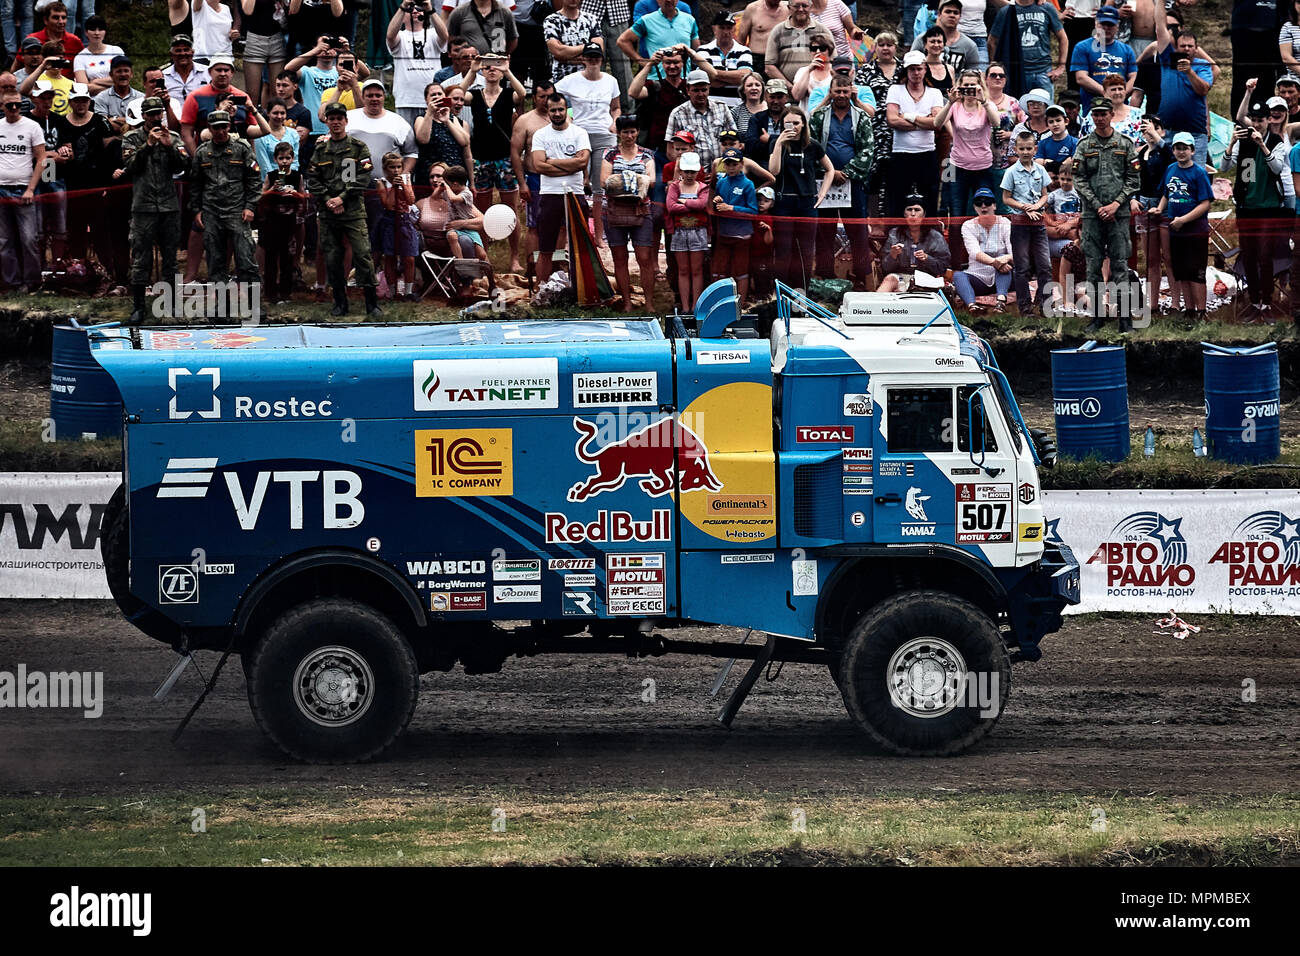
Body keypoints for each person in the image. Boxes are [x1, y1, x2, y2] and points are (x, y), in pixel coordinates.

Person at [307, 101, 383, 316]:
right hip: (329, 212)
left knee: (362, 254)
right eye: (332, 119)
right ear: (327, 122)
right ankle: (339, 301)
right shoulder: (321, 150)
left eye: (340, 118)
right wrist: (329, 200)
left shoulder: (359, 148)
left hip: (353, 211)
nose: (336, 122)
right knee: (332, 256)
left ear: (346, 121)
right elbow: (313, 179)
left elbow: (364, 176)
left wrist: (341, 198)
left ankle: (371, 302)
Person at [120, 97, 188, 322]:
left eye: (159, 113)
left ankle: (172, 304)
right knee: (141, 257)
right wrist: (147, 146)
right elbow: (130, 168)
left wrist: (170, 149)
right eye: (151, 114)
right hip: (143, 206)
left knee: (171, 258)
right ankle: (138, 306)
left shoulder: (173, 136)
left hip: (168, 205)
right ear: (144, 116)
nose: (156, 118)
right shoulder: (131, 138)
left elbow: (183, 167)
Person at [1223, 102, 1289, 319]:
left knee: (1265, 255)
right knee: (1249, 256)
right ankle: (1253, 301)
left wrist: (1263, 146)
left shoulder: (1277, 141)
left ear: (1268, 120)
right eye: (1255, 120)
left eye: (1261, 120)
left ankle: (1267, 302)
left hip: (1268, 208)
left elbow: (1278, 168)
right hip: (1246, 208)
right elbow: (1224, 167)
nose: (1258, 124)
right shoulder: (1243, 142)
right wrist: (1231, 144)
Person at [809, 72, 872, 285]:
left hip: (852, 182)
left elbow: (867, 150)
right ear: (831, 92)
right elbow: (812, 147)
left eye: (846, 91)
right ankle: (825, 275)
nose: (842, 95)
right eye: (838, 91)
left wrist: (847, 173)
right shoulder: (819, 117)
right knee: (824, 230)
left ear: (851, 91)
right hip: (825, 181)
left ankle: (861, 276)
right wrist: (830, 172)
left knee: (858, 230)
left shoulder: (861, 117)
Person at [464, 52, 525, 268]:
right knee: (482, 209)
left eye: (495, 65)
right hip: (481, 158)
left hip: (504, 158)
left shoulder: (508, 94)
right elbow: (457, 96)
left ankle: (515, 257)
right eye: (487, 65)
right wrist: (472, 70)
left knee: (511, 208)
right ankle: (485, 256)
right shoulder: (475, 95)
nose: (491, 69)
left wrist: (507, 69)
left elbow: (523, 94)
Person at [191, 108, 260, 295]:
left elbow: (254, 179)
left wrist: (250, 206)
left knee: (245, 260)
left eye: (223, 127)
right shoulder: (202, 153)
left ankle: (254, 308)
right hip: (211, 212)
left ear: (229, 126)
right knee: (215, 262)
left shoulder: (242, 148)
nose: (220, 131)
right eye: (216, 128)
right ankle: (222, 309)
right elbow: (196, 184)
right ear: (209, 128)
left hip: (237, 211)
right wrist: (197, 210)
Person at [558, 44, 620, 247]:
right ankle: (575, 233)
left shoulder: (610, 81)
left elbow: (616, 107)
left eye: (597, 57)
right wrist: (567, 120)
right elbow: (553, 97)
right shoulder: (571, 80)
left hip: (604, 134)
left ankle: (600, 236)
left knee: (601, 186)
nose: (593, 60)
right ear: (583, 59)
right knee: (577, 182)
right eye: (590, 57)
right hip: (580, 133)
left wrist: (614, 123)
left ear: (602, 60)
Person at [767, 105, 834, 287]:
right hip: (784, 202)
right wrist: (780, 143)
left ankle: (802, 294)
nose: (793, 127)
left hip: (806, 203)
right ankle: (780, 294)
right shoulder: (776, 142)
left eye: (796, 123)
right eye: (788, 124)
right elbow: (774, 171)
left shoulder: (812, 144)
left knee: (805, 252)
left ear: (803, 124)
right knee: (783, 251)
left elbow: (830, 169)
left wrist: (822, 193)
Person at [531, 91, 591, 285]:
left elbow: (582, 163)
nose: (557, 113)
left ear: (567, 110)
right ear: (547, 111)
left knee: (579, 247)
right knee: (546, 248)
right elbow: (539, 166)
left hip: (575, 194)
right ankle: (542, 289)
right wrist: (569, 165)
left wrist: (553, 162)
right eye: (553, 110)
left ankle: (581, 289)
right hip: (550, 195)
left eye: (560, 109)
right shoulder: (540, 135)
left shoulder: (579, 133)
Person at [1155, 131, 1212, 321]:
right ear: (1173, 150)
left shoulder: (1199, 173)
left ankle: (1201, 311)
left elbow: (1205, 203)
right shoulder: (1171, 169)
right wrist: (1159, 208)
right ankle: (1188, 310)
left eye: (1185, 148)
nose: (1181, 152)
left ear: (1192, 151)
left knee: (1196, 272)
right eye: (1178, 148)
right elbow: (1166, 193)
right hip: (1175, 228)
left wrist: (1184, 219)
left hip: (1195, 229)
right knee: (1182, 271)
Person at [602, 113, 657, 310]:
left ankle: (649, 302)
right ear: (618, 133)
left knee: (644, 257)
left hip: (641, 210)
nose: (629, 135)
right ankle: (626, 302)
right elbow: (604, 181)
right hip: (615, 211)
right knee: (619, 257)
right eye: (625, 132)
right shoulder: (610, 154)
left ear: (638, 132)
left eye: (633, 131)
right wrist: (635, 180)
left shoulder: (647, 154)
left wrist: (622, 180)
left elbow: (651, 180)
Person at [1152, 6, 1215, 165]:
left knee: (1196, 175)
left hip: (1195, 133)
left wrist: (1189, 72)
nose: (1186, 49)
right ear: (1176, 48)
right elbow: (1160, 27)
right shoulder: (1167, 59)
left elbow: (1203, 90)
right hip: (1168, 131)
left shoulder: (1202, 65)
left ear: (1196, 49)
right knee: (1168, 175)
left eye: (1190, 46)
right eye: (1183, 46)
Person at [1001, 129, 1053, 316]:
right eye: (1021, 148)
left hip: (1038, 223)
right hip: (1020, 223)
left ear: (1035, 149)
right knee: (1022, 267)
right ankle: (1025, 308)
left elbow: (1045, 195)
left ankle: (1046, 305)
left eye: (1029, 148)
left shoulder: (1040, 170)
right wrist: (1025, 207)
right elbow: (1006, 198)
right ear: (1015, 149)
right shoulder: (1011, 172)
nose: (1025, 152)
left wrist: (1037, 206)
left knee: (1045, 266)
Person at [885, 50, 943, 217]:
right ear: (906, 70)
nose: (916, 73)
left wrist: (909, 117)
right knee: (898, 199)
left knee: (930, 199)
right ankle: (896, 237)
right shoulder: (895, 90)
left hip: (927, 153)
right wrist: (923, 122)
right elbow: (892, 120)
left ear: (925, 69)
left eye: (919, 68)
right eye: (912, 69)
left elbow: (936, 123)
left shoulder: (934, 93)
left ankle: (931, 237)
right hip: (901, 153)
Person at [934, 68, 998, 217]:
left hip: (983, 166)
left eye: (973, 86)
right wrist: (950, 103)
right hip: (958, 166)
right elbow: (937, 123)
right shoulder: (956, 106)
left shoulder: (987, 105)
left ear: (980, 87)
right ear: (960, 86)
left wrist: (983, 101)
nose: (969, 89)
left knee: (985, 211)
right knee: (957, 212)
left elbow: (996, 123)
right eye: (966, 85)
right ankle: (957, 239)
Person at [0, 91, 46, 293]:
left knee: (29, 239)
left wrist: (31, 188)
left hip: (23, 189)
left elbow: (42, 160)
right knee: (3, 241)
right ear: (2, 106)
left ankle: (32, 283)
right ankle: (11, 283)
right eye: (9, 105)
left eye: (17, 105)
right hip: (1, 189)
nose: (13, 109)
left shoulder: (32, 127)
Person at [511, 74, 553, 263]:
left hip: (557, 178)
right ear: (534, 98)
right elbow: (515, 153)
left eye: (549, 96)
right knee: (534, 225)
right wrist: (522, 184)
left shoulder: (562, 118)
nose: (545, 101)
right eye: (542, 96)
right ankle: (532, 265)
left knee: (559, 225)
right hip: (535, 177)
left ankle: (556, 265)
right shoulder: (525, 121)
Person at [988, 0, 1068, 99]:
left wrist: (1061, 67)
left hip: (1043, 72)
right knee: (1017, 110)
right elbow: (992, 41)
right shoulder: (1006, 11)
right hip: (1016, 72)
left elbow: (1063, 38)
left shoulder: (1047, 8)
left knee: (1044, 110)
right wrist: (996, 65)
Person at [389, 0, 449, 129]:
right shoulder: (400, 35)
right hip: (406, 99)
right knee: (406, 140)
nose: (415, 11)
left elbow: (445, 36)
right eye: (411, 9)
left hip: (433, 99)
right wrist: (402, 7)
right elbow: (390, 36)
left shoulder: (433, 33)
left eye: (418, 9)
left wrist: (430, 10)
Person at [259, 141, 306, 304]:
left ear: (293, 158)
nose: (284, 161)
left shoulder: (297, 175)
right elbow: (262, 195)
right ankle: (270, 292)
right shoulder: (271, 175)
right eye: (281, 158)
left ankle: (286, 292)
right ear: (275, 159)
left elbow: (303, 196)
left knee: (288, 258)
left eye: (287, 158)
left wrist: (294, 194)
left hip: (290, 222)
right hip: (273, 221)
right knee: (271, 257)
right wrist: (272, 190)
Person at [859, 30, 899, 218]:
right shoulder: (866, 70)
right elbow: (857, 98)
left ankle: (892, 217)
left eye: (889, 45)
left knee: (895, 176)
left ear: (895, 47)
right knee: (873, 175)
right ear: (875, 48)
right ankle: (873, 219)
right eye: (881, 45)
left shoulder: (904, 69)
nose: (885, 48)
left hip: (899, 131)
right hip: (873, 130)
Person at [953, 187, 1014, 312]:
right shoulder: (968, 225)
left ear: (995, 206)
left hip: (1003, 276)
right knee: (958, 275)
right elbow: (974, 253)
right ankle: (972, 306)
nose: (983, 206)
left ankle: (1001, 302)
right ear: (975, 207)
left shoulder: (1005, 223)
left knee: (1005, 268)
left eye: (988, 202)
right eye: (979, 203)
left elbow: (1015, 252)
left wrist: (1004, 259)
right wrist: (995, 262)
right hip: (978, 275)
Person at [1135, 112, 1172, 313]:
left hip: (1164, 205)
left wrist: (1157, 138)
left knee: (1169, 257)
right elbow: (1134, 179)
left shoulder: (1166, 151)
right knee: (1151, 258)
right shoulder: (1140, 154)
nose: (1149, 131)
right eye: (1146, 128)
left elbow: (1172, 158)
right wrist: (1133, 197)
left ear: (1162, 131)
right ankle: (1153, 303)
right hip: (1144, 205)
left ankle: (1175, 302)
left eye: (1154, 127)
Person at [710, 146, 757, 299]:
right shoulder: (721, 183)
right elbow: (717, 207)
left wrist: (731, 207)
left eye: (734, 164)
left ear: (741, 164)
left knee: (741, 271)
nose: (730, 167)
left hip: (742, 235)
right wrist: (717, 201)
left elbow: (753, 211)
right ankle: (721, 301)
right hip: (724, 233)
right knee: (720, 270)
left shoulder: (748, 184)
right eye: (727, 164)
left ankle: (740, 304)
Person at [877, 193, 950, 291]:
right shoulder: (894, 234)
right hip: (901, 276)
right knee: (889, 279)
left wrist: (927, 259)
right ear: (904, 214)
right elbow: (885, 268)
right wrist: (892, 256)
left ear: (924, 214)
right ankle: (875, 305)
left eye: (917, 210)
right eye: (909, 209)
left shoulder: (935, 236)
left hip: (926, 278)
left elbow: (943, 268)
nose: (912, 213)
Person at [1071, 5, 1137, 112]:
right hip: (1093, 106)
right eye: (1103, 24)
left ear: (1117, 26)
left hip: (1120, 107)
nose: (1106, 28)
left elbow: (1133, 77)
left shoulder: (1126, 50)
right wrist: (1106, 93)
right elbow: (1081, 78)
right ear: (1096, 24)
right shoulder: (1082, 47)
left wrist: (1120, 95)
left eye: (1110, 24)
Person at [627, 45, 691, 155]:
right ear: (662, 64)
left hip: (685, 144)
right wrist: (650, 64)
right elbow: (633, 92)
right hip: (657, 146)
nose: (672, 66)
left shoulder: (689, 86)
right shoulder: (655, 86)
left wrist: (690, 52)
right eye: (667, 63)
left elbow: (713, 75)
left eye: (676, 62)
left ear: (683, 64)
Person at [373, 150, 420, 298]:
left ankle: (408, 292)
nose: (396, 170)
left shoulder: (406, 178)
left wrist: (404, 185)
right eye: (392, 167)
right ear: (386, 168)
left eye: (399, 167)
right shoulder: (381, 182)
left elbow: (411, 200)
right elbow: (388, 204)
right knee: (390, 256)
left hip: (404, 219)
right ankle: (393, 292)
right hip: (389, 220)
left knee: (409, 256)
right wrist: (393, 187)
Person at [666, 150, 711, 305]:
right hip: (679, 232)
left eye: (692, 172)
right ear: (681, 171)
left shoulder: (703, 187)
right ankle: (685, 306)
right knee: (683, 270)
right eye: (686, 171)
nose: (689, 175)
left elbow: (702, 204)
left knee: (697, 270)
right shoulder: (674, 187)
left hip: (698, 232)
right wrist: (693, 207)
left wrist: (684, 202)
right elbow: (671, 207)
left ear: (697, 171)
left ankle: (696, 306)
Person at [665, 66, 729, 167]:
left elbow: (733, 141)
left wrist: (721, 170)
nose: (700, 94)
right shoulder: (677, 113)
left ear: (709, 89)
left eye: (704, 90)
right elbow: (670, 151)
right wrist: (692, 171)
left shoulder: (722, 107)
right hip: (691, 174)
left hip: (721, 170)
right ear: (688, 90)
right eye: (696, 90)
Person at [619, 0, 700, 81]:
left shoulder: (690, 20)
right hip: (656, 79)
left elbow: (696, 48)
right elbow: (622, 41)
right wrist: (642, 61)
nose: (668, 0)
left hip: (684, 79)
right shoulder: (647, 20)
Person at [1044, 164, 1087, 313]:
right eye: (1062, 179)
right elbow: (1042, 209)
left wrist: (1070, 225)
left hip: (1074, 228)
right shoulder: (1054, 195)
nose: (1065, 182)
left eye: (1069, 179)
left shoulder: (1079, 194)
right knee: (1069, 244)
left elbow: (1083, 215)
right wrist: (1054, 223)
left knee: (1076, 239)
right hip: (1058, 229)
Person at [764, 0, 833, 85]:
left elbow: (833, 61)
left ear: (810, 7)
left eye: (804, 6)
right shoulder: (778, 31)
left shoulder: (822, 30)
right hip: (787, 94)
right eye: (796, 6)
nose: (800, 9)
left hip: (817, 91)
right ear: (789, 8)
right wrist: (791, 88)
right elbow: (769, 67)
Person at [701, 11, 754, 108]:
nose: (725, 32)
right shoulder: (703, 50)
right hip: (710, 108)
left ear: (734, 29)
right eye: (722, 28)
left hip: (737, 107)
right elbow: (703, 78)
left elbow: (744, 77)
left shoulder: (744, 51)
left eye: (729, 28)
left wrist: (714, 74)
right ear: (714, 29)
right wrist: (732, 78)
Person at [911, 0, 979, 74]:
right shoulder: (921, 39)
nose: (952, 15)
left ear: (960, 17)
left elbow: (973, 76)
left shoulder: (969, 46)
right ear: (939, 14)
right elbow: (911, 66)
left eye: (956, 13)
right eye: (948, 11)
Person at [545, 0, 603, 82]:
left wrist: (567, 57)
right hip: (562, 78)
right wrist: (588, 47)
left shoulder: (591, 19)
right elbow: (558, 51)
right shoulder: (551, 21)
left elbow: (598, 49)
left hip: (589, 78)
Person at [1078, 71, 1142, 142]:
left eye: (1120, 89)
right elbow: (1082, 143)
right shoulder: (1093, 114)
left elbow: (1147, 143)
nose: (1117, 93)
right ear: (1104, 93)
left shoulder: (1138, 114)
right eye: (1113, 89)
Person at [742, 76, 791, 161]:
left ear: (786, 98)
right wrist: (780, 140)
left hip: (788, 163)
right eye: (772, 97)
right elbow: (750, 147)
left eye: (779, 97)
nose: (775, 101)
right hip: (762, 164)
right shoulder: (756, 118)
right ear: (765, 97)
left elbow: (793, 145)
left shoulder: (792, 118)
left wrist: (769, 139)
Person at [737, 0, 789, 78]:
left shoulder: (789, 8)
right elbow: (741, 41)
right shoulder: (752, 9)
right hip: (757, 59)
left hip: (782, 59)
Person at [73, 16, 124, 95]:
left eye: (100, 29)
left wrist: (95, 81)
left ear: (105, 32)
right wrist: (114, 88)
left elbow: (123, 78)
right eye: (93, 29)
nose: (97, 33)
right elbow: (83, 88)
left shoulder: (116, 51)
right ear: (86, 32)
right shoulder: (80, 58)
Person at [448, 0, 519, 55]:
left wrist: (502, 56)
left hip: (495, 65)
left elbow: (512, 39)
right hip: (470, 63)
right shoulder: (459, 12)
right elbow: (452, 39)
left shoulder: (505, 12)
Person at [748, 183, 777, 296]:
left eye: (766, 201)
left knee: (763, 278)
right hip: (751, 253)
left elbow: (769, 241)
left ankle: (764, 298)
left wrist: (768, 230)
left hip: (764, 256)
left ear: (772, 204)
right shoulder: (752, 215)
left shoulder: (769, 218)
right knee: (752, 276)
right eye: (759, 200)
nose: (761, 203)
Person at [163, 36, 210, 105]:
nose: (183, 53)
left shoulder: (208, 72)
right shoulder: (163, 76)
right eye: (178, 50)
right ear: (171, 54)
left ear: (192, 52)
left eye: (186, 50)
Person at [733, 70, 767, 135]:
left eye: (757, 85)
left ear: (762, 89)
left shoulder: (771, 109)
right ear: (743, 90)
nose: (754, 88)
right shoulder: (735, 112)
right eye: (749, 85)